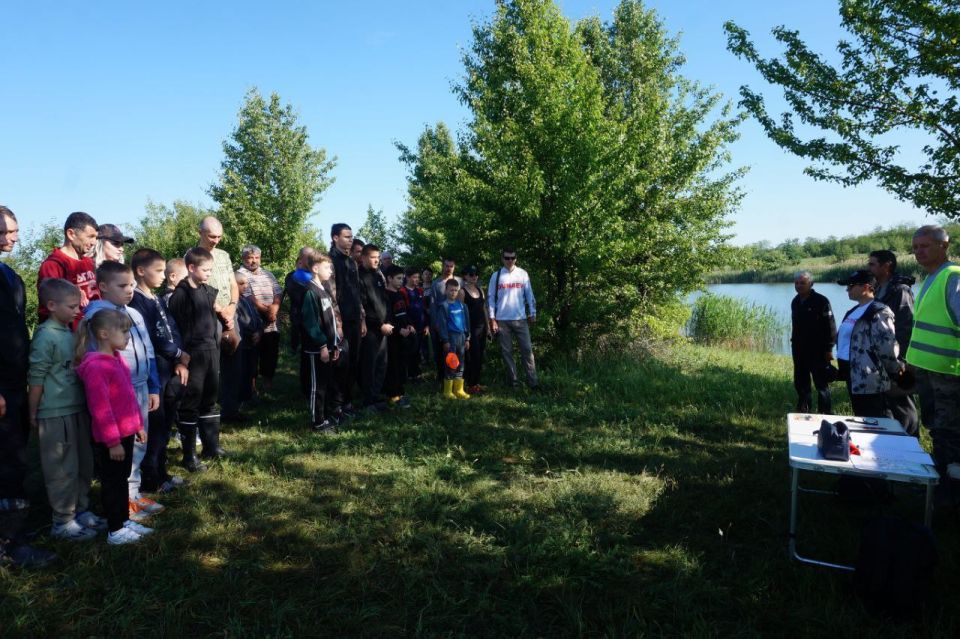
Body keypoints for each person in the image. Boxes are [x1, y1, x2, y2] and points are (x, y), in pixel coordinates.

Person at [0, 206, 58, 567]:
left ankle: (15, 529)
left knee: (17, 456)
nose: (14, 238)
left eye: (16, 231)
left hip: (15, 382)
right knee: (4, 460)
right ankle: (8, 544)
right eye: (6, 231)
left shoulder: (11, 277)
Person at [85, 262, 163, 521]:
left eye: (131, 285)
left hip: (140, 387)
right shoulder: (97, 316)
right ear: (103, 287)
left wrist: (153, 385)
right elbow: (95, 356)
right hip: (118, 392)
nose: (129, 290)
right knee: (123, 449)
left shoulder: (134, 313)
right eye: (122, 286)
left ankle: (133, 492)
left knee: (139, 443)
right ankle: (123, 502)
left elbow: (148, 349)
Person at [28, 279, 104, 541]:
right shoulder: (45, 336)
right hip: (54, 412)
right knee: (61, 468)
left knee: (83, 463)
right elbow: (36, 377)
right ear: (51, 305)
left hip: (77, 408)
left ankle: (81, 511)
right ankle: (62, 521)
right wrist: (33, 412)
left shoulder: (69, 332)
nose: (76, 310)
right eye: (72, 306)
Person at [74, 309, 154, 545]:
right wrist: (113, 442)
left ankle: (124, 519)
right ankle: (115, 530)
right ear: (104, 334)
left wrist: (138, 425)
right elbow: (101, 409)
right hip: (112, 439)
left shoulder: (116, 359)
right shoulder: (96, 367)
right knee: (113, 482)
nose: (128, 336)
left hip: (126, 432)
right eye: (124, 331)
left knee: (121, 478)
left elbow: (128, 398)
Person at [904, 225, 960, 501]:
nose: (919, 252)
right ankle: (939, 485)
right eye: (915, 248)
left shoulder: (953, 278)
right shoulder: (930, 279)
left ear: (944, 245)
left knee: (950, 436)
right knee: (937, 431)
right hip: (930, 374)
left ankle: (948, 495)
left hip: (949, 376)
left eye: (925, 246)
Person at [130, 249, 189, 494]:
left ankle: (162, 472)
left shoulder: (155, 298)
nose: (164, 276)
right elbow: (151, 337)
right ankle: (150, 478)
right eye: (158, 271)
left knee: (164, 424)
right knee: (154, 425)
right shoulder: (136, 300)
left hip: (168, 368)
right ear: (141, 271)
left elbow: (171, 328)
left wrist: (179, 357)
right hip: (154, 371)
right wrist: (176, 354)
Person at [168, 248, 226, 471]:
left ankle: (212, 447)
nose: (209, 273)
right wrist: (181, 359)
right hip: (192, 355)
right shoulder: (180, 296)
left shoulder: (207, 291)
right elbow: (176, 329)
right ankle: (189, 456)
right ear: (191, 268)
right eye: (205, 269)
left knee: (210, 398)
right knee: (191, 401)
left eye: (211, 269)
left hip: (212, 350)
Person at [835, 270, 900, 418]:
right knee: (862, 417)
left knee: (878, 420)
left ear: (866, 287)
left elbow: (887, 347)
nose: (847, 290)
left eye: (850, 286)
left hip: (870, 378)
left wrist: (895, 371)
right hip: (852, 374)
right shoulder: (854, 310)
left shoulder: (879, 312)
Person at [867, 249, 918, 435]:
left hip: (898, 360)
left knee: (903, 406)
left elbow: (905, 329)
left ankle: (912, 445)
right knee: (886, 406)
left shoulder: (901, 291)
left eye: (872, 264)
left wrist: (900, 362)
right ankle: (893, 445)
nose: (868, 268)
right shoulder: (878, 289)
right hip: (881, 359)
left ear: (886, 266)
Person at [301, 253, 344, 433]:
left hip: (328, 347)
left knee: (325, 385)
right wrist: (322, 345)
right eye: (327, 267)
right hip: (317, 350)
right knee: (316, 387)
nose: (331, 271)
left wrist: (334, 344)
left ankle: (325, 417)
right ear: (315, 269)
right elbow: (310, 322)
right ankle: (317, 422)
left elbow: (330, 320)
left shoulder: (323, 289)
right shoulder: (310, 291)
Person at [487, 247, 538, 389]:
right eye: (507, 258)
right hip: (502, 320)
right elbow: (491, 299)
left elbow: (529, 295)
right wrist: (492, 319)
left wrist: (532, 313)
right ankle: (514, 382)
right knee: (507, 352)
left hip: (520, 319)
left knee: (527, 351)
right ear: (502, 259)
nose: (510, 260)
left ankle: (533, 382)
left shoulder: (522, 274)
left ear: (516, 258)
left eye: (513, 258)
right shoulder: (496, 276)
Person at [37, 211, 100, 325]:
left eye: (96, 237)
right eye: (90, 236)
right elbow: (48, 309)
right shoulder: (54, 265)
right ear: (71, 234)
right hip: (70, 336)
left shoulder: (89, 262)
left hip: (92, 332)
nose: (94, 242)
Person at [329, 225, 365, 415]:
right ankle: (336, 405)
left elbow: (357, 293)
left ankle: (348, 402)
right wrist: (338, 322)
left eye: (352, 237)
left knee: (353, 361)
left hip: (354, 320)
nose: (351, 240)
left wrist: (362, 319)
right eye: (346, 236)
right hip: (339, 322)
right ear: (335, 238)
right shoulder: (330, 261)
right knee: (339, 362)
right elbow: (331, 295)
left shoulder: (351, 262)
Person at [790, 271, 836, 414]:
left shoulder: (822, 301)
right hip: (799, 350)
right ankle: (804, 410)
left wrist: (829, 349)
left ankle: (825, 414)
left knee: (821, 385)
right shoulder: (795, 301)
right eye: (797, 283)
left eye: (802, 283)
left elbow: (831, 326)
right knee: (801, 383)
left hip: (818, 351)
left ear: (811, 284)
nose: (799, 286)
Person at [238, 245, 281, 393]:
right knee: (251, 355)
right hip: (251, 321)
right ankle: (251, 387)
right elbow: (247, 296)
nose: (253, 261)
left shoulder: (268, 274)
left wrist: (274, 309)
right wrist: (265, 311)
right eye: (250, 258)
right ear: (244, 259)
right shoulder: (239, 274)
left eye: (256, 258)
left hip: (271, 322)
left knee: (270, 353)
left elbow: (277, 292)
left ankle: (268, 383)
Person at [358, 244, 394, 411]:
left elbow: (384, 301)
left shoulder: (379, 276)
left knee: (382, 363)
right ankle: (368, 400)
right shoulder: (359, 277)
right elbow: (363, 306)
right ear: (364, 257)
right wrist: (380, 325)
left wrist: (387, 321)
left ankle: (376, 395)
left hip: (384, 327)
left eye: (378, 257)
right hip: (371, 329)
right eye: (373, 257)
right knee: (369, 365)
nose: (377, 260)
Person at [230, 270, 264, 417]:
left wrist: (259, 332)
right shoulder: (233, 302)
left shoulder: (247, 300)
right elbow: (239, 323)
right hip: (242, 343)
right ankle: (238, 402)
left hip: (253, 343)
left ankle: (248, 397)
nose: (245, 286)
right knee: (241, 372)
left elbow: (257, 318)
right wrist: (251, 333)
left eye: (246, 283)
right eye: (241, 283)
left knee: (251, 371)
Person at [434, 279, 472, 399]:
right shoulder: (444, 306)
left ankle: (459, 390)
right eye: (451, 290)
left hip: (461, 337)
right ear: (446, 290)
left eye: (456, 290)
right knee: (451, 363)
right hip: (450, 338)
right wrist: (445, 340)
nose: (453, 292)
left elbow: (466, 323)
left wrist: (467, 338)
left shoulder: (462, 305)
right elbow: (442, 325)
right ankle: (447, 391)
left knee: (461, 363)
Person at [383, 265, 413, 407]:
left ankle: (401, 392)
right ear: (389, 278)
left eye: (402, 278)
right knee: (393, 365)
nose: (401, 281)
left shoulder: (400, 293)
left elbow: (404, 312)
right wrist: (398, 330)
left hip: (404, 336)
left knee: (402, 364)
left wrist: (409, 325)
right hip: (393, 337)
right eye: (398, 278)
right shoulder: (385, 295)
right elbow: (387, 317)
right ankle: (393, 394)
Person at [431, 257, 463, 383]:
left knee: (457, 353)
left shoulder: (459, 281)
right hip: (441, 323)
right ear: (442, 267)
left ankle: (456, 380)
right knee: (441, 351)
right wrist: (436, 324)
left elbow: (463, 302)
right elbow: (433, 305)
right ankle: (442, 378)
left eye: (451, 266)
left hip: (456, 324)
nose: (449, 268)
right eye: (447, 266)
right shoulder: (436, 284)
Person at [462, 265, 491, 394]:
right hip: (470, 329)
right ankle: (470, 384)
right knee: (472, 356)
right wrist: (464, 332)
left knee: (480, 356)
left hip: (482, 328)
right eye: (470, 275)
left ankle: (476, 383)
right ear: (465, 276)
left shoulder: (480, 290)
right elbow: (460, 312)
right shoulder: (462, 292)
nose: (474, 277)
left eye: (475, 274)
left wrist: (488, 327)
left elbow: (484, 309)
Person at [402, 267, 426, 381]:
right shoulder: (403, 291)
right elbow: (404, 310)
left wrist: (427, 325)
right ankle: (409, 375)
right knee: (410, 351)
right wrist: (408, 324)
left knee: (418, 350)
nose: (417, 279)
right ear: (407, 277)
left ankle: (417, 373)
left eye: (418, 277)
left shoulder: (420, 291)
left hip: (421, 325)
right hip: (410, 327)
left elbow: (423, 309)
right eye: (414, 277)